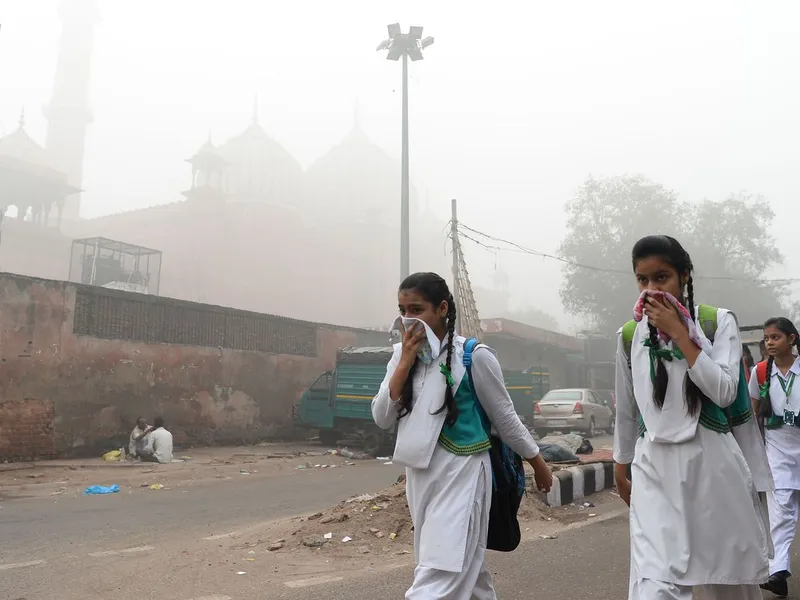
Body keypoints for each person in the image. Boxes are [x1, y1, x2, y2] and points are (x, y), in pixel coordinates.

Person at [372, 272, 552, 600]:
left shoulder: (475, 356)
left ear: (442, 309)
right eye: (403, 310)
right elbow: (382, 416)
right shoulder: (401, 356)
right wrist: (404, 364)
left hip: (464, 471)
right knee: (461, 566)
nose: (408, 319)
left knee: (443, 569)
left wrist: (537, 461)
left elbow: (505, 417)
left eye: (417, 309)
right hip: (420, 474)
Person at [614, 235, 770, 600]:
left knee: (729, 580)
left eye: (662, 277)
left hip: (712, 467)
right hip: (653, 469)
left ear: (685, 275)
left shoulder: (718, 323)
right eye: (643, 279)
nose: (652, 290)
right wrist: (621, 464)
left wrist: (683, 335)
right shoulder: (628, 335)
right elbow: (626, 408)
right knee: (653, 585)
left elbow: (726, 391)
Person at [749, 317, 800, 597]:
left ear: (792, 339)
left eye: (776, 337)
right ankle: (778, 571)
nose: (769, 342)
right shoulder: (759, 373)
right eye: (766, 338)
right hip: (777, 452)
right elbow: (751, 414)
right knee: (781, 512)